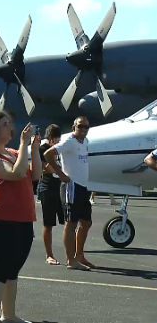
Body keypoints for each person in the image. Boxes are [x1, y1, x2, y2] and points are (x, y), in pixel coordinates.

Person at [0, 110, 41, 323]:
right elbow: (16, 173)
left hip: (22, 217)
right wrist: (24, 145)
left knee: (12, 268)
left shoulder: (13, 151)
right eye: (5, 124)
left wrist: (34, 149)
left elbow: (35, 174)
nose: (10, 127)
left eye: (10, 123)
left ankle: (9, 315)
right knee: (0, 267)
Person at [44, 116, 94, 271]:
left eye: (86, 127)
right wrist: (60, 174)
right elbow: (48, 154)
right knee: (71, 223)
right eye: (80, 126)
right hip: (71, 186)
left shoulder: (85, 142)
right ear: (74, 127)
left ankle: (79, 255)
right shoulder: (69, 141)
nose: (84, 129)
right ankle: (70, 260)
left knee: (86, 222)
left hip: (83, 187)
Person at [38, 124, 64, 265]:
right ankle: (49, 255)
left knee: (68, 220)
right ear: (50, 138)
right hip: (47, 188)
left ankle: (71, 253)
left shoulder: (57, 149)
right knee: (48, 223)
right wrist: (60, 168)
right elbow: (46, 169)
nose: (57, 142)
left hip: (60, 187)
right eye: (55, 139)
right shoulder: (42, 149)